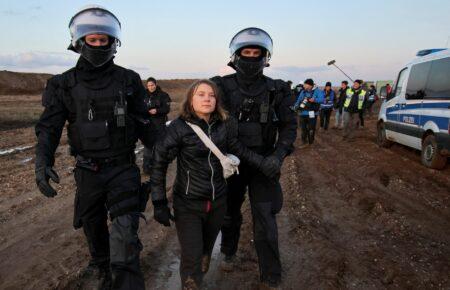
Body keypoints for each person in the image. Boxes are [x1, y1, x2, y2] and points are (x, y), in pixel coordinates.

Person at [34, 6, 153, 289]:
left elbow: (145, 126)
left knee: (125, 235)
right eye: (93, 39)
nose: (99, 45)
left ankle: (125, 279)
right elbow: (49, 127)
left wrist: (169, 151)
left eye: (104, 40)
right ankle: (100, 264)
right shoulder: (62, 84)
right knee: (93, 224)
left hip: (123, 167)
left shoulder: (129, 80)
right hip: (87, 170)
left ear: (113, 42)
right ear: (79, 42)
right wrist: (42, 161)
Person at [150, 80, 279, 289]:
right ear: (191, 99)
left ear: (217, 100)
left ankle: (202, 265)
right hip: (189, 204)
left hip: (218, 202)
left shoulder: (224, 125)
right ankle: (191, 282)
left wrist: (265, 164)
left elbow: (240, 149)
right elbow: (159, 162)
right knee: (192, 257)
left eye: (211, 95)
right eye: (201, 94)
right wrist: (158, 201)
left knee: (205, 252)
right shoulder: (179, 127)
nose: (207, 99)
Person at [211, 27, 297, 289]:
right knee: (228, 213)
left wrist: (278, 156)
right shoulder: (220, 86)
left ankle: (271, 275)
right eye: (245, 53)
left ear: (265, 56)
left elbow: (289, 126)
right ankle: (228, 251)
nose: (250, 58)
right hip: (231, 164)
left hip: (265, 164)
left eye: (255, 53)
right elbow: (218, 129)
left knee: (265, 218)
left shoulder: (277, 89)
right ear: (236, 56)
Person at [142, 77, 171, 175]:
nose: (150, 87)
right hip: (147, 125)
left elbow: (167, 109)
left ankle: (159, 167)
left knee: (160, 147)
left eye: (152, 85)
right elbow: (139, 107)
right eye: (149, 85)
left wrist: (157, 111)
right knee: (147, 147)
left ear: (156, 84)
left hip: (159, 124)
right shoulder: (143, 95)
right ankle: (147, 169)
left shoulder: (163, 95)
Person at [293, 78, 324, 146]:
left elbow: (322, 100)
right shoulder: (303, 92)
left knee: (311, 128)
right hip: (302, 113)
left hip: (312, 113)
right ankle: (304, 141)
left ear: (309, 85)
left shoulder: (318, 91)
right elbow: (298, 100)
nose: (303, 85)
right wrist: (295, 107)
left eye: (305, 84)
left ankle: (310, 141)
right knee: (303, 129)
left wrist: (315, 100)